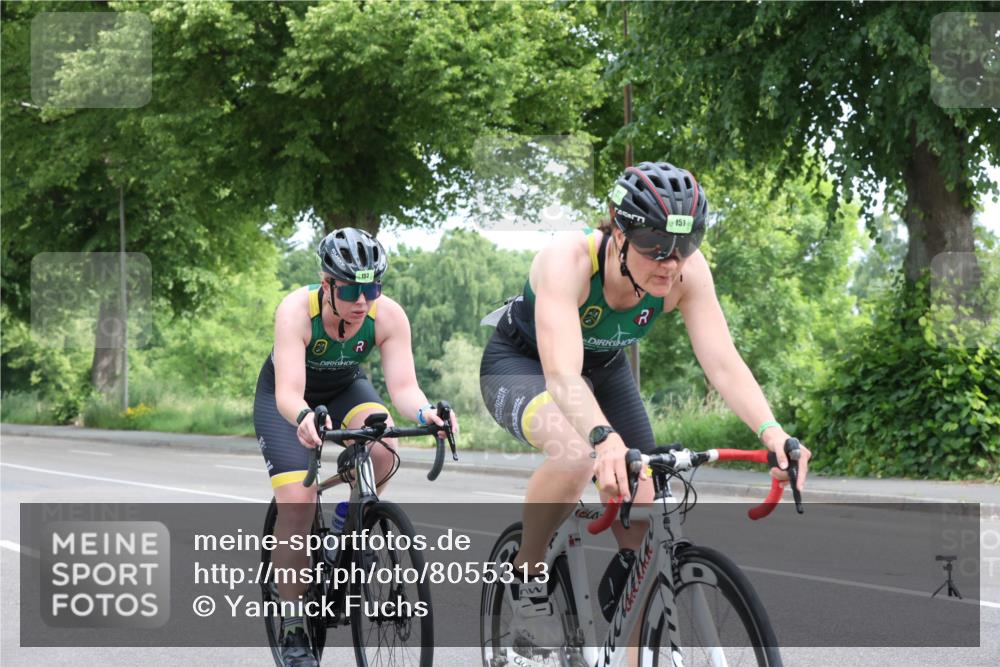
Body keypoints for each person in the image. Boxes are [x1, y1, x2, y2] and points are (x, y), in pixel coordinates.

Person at [479, 161, 811, 651]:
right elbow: (563, 374)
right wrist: (602, 439)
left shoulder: (685, 274)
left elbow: (722, 361)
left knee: (643, 516)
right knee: (576, 454)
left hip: (605, 370)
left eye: (684, 246)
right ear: (618, 229)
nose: (670, 262)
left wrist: (773, 433)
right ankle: (528, 577)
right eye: (655, 245)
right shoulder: (566, 261)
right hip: (525, 365)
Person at [253, 227, 458, 667]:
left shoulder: (388, 317)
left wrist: (426, 415)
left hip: (346, 388)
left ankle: (350, 522)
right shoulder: (295, 312)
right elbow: (290, 393)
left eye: (373, 287)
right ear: (327, 283)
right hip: (287, 400)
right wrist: (306, 417)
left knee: (382, 450)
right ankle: (292, 626)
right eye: (350, 289)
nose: (362, 299)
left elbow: (404, 387)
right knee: (297, 503)